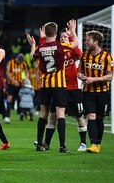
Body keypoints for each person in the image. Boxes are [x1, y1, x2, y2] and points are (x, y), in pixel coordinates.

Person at [27, 21, 78, 153]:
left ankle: (39, 144)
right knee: (60, 114)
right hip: (59, 84)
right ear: (55, 33)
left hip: (45, 85)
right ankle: (62, 146)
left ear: (45, 32)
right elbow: (76, 44)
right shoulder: (61, 46)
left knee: (43, 113)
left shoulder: (42, 46)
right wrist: (72, 30)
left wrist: (33, 44)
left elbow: (33, 56)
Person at [38, 21, 87, 152]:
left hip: (73, 87)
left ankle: (83, 142)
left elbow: (80, 56)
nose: (63, 38)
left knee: (79, 116)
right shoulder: (61, 47)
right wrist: (72, 33)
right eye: (61, 37)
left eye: (65, 36)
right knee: (54, 115)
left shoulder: (71, 50)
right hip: (59, 87)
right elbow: (74, 43)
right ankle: (47, 143)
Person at [78, 30, 114, 153]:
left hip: (103, 92)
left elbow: (110, 76)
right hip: (88, 92)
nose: (86, 42)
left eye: (88, 39)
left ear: (96, 42)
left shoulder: (107, 57)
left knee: (99, 118)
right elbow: (79, 71)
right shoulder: (84, 55)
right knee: (91, 116)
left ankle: (98, 144)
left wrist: (94, 79)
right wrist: (81, 76)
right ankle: (93, 144)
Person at [5, 53, 28, 123]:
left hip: (20, 84)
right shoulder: (10, 62)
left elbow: (26, 71)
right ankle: (7, 116)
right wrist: (13, 80)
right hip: (11, 84)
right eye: (19, 62)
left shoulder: (23, 63)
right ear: (17, 59)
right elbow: (7, 73)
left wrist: (25, 79)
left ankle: (21, 113)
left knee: (21, 98)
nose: (20, 63)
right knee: (9, 99)